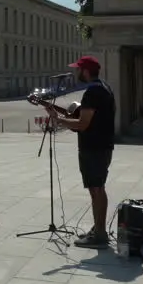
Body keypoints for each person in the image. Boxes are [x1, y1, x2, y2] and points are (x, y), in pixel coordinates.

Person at [44, 55, 116, 249]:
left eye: (78, 69)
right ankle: (98, 228)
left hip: (93, 147)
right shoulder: (104, 87)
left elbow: (83, 124)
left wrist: (58, 119)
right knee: (98, 187)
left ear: (85, 71)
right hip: (102, 145)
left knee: (96, 189)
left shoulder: (92, 92)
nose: (76, 73)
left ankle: (100, 234)